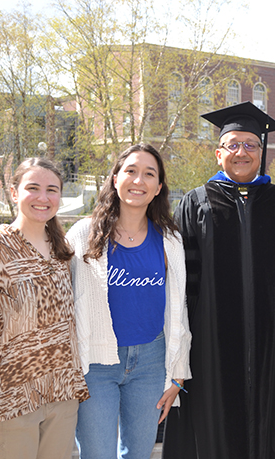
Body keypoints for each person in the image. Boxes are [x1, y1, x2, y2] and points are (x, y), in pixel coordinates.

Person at [162, 101, 275, 459]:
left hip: (269, 346)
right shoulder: (195, 203)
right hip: (211, 348)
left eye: (250, 145)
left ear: (262, 151)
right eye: (233, 145)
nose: (242, 152)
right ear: (218, 153)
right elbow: (179, 284)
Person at [67, 143, 191, 459]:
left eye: (149, 174)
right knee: (98, 454)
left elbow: (180, 309)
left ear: (159, 187)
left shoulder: (170, 239)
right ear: (115, 178)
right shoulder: (83, 234)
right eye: (131, 171)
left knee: (138, 454)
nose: (139, 181)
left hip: (151, 362)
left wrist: (177, 372)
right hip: (96, 365)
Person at [0, 157, 89, 459]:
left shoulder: (63, 251)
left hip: (62, 396)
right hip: (11, 399)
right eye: (33, 188)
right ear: (14, 192)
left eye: (52, 190)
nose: (43, 198)